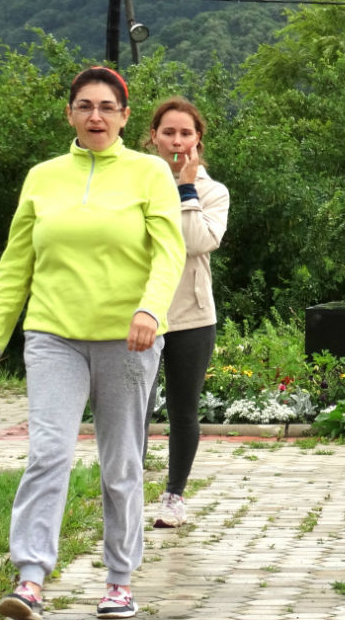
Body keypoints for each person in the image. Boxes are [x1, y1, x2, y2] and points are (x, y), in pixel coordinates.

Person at [0, 66, 185, 620]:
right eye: (85, 106)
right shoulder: (42, 177)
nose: (96, 116)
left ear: (124, 116)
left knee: (120, 463)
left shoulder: (150, 174)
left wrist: (149, 311)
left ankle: (118, 582)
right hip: (53, 335)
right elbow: (17, 263)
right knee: (48, 454)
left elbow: (169, 253)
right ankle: (30, 579)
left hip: (129, 339)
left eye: (107, 107)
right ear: (69, 114)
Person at [142, 97, 230, 529]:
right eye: (168, 132)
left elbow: (196, 241)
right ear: (153, 136)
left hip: (192, 316)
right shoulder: (134, 181)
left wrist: (187, 188)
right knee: (131, 409)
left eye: (185, 133)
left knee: (182, 410)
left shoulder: (214, 191)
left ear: (198, 139)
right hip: (138, 312)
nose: (176, 141)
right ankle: (121, 488)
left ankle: (174, 495)